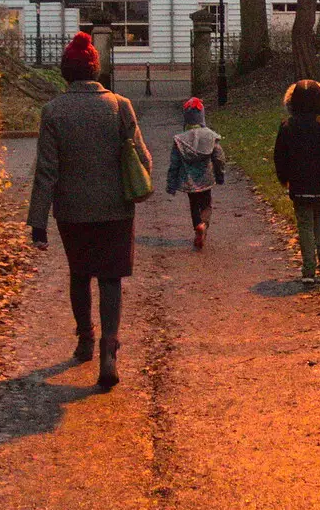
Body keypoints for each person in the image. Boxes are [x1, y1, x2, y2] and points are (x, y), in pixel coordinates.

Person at [27, 32, 151, 388]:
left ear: (66, 72)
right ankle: (111, 347)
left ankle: (86, 340)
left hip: (72, 210)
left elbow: (46, 169)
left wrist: (38, 222)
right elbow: (141, 157)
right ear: (96, 69)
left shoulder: (52, 112)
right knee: (110, 277)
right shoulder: (120, 105)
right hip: (116, 207)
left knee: (80, 274)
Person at [272, 79, 320, 287]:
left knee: (305, 223)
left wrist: (283, 178)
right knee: (319, 215)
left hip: (299, 183)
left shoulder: (287, 126)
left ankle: (308, 269)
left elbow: (280, 156)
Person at [166, 96, 226, 249]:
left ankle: (197, 226)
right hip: (206, 179)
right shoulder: (210, 137)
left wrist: (171, 184)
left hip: (189, 180)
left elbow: (174, 163)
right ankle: (203, 225)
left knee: (193, 204)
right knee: (206, 204)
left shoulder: (180, 140)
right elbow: (219, 158)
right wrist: (220, 175)